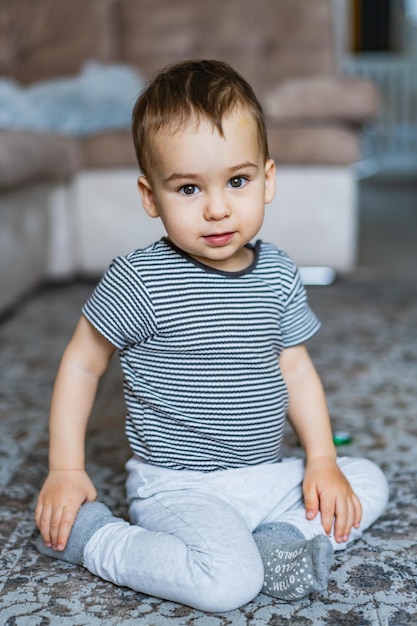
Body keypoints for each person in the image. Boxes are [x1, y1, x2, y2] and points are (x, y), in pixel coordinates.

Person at [35, 59, 389, 613]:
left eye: (238, 181)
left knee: (366, 479)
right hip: (180, 487)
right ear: (151, 197)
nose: (218, 207)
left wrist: (321, 459)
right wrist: (66, 470)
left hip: (267, 474)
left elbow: (294, 367)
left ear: (267, 179)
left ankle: (284, 540)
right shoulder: (140, 280)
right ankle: (95, 540)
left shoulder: (277, 272)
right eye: (188, 188)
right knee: (226, 584)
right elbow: (82, 363)